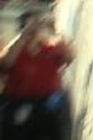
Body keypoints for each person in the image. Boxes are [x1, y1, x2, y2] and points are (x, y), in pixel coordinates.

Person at [0, 10, 75, 139]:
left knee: (56, 112)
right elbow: (6, 63)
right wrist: (25, 34)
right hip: (16, 102)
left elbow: (70, 57)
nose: (36, 30)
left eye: (39, 26)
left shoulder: (51, 49)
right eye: (32, 26)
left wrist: (55, 30)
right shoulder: (15, 50)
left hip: (46, 103)